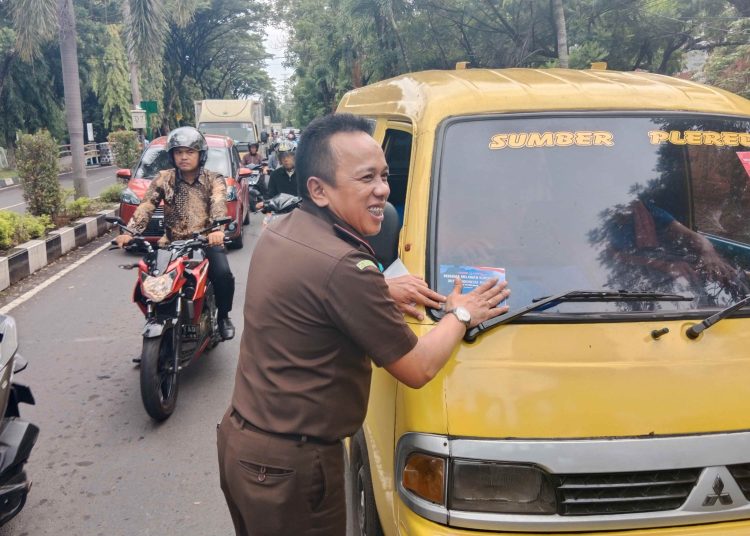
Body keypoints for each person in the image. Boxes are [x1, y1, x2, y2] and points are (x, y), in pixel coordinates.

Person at [217, 113, 510, 535]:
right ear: (318, 189)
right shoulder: (344, 267)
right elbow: (417, 367)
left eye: (385, 175)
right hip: (291, 469)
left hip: (246, 448)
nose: (383, 190)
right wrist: (462, 314)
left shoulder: (284, 230)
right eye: (366, 178)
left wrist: (381, 291)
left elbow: (309, 292)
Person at [115, 126, 236, 341]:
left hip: (205, 241)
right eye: (179, 152)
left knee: (223, 275)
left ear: (201, 154)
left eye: (190, 152)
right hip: (171, 244)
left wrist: (217, 231)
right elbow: (146, 206)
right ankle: (155, 319)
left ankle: (223, 317)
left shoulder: (213, 179)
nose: (184, 157)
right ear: (172, 156)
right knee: (149, 279)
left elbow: (219, 204)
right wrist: (130, 231)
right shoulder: (164, 178)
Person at [255, 142, 297, 210]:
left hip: (301, 213)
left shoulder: (303, 174)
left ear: (295, 157)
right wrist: (265, 204)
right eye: (283, 157)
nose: (286, 159)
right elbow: (270, 195)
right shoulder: (275, 175)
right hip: (281, 212)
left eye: (289, 156)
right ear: (279, 159)